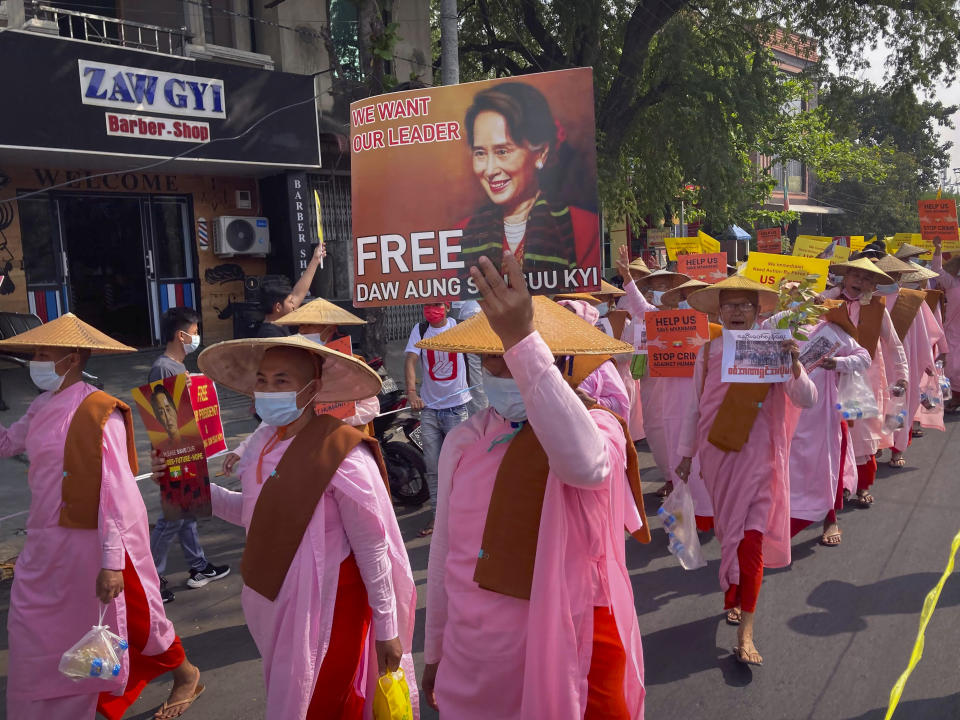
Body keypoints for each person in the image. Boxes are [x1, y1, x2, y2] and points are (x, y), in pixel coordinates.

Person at [421, 253, 646, 719]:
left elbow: (585, 466)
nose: (503, 370)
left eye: (512, 358)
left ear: (550, 358)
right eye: (491, 360)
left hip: (569, 645)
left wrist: (521, 340)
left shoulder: (596, 423)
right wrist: (434, 649)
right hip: (474, 657)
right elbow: (444, 551)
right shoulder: (464, 441)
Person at [195, 335, 418, 719]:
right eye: (262, 380)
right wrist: (196, 490)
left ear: (312, 388)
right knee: (295, 698)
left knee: (320, 703)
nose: (267, 390)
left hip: (331, 607)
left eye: (282, 381)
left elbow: (373, 548)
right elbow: (253, 514)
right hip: (276, 602)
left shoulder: (341, 453)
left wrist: (387, 628)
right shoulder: (264, 444)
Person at [0, 313, 203, 720]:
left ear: (72, 358)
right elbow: (7, 443)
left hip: (96, 541)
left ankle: (186, 675)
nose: (35, 363)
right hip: (45, 541)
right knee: (33, 629)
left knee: (139, 621)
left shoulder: (99, 412)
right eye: (35, 354)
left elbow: (114, 491)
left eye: (43, 354)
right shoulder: (42, 405)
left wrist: (112, 562)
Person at [675, 276, 818, 666]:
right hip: (717, 454)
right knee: (729, 533)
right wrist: (686, 455)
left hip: (759, 459)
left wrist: (794, 364)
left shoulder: (773, 349)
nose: (737, 312)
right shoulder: (706, 353)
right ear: (718, 312)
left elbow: (807, 398)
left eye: (744, 306)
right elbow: (693, 409)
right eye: (730, 305)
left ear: (758, 313)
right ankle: (732, 593)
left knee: (750, 537)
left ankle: (746, 631)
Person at [456, 82, 600, 292]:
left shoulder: (583, 229)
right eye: (480, 153)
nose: (489, 170)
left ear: (540, 153)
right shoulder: (460, 234)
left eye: (502, 151)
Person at [148, 307, 229, 604]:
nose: (197, 338)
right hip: (176, 452)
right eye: (194, 333)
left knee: (187, 514)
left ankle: (199, 566)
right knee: (172, 519)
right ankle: (149, 578)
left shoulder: (177, 368)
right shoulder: (164, 368)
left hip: (189, 449)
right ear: (180, 335)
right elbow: (164, 416)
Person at [781, 297, 871, 546]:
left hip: (821, 414)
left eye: (805, 298)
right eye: (792, 297)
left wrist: (839, 363)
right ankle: (783, 523)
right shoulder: (776, 329)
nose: (800, 303)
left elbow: (864, 357)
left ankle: (830, 517)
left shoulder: (830, 330)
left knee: (825, 467)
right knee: (786, 470)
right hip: (782, 413)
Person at [821, 258, 908, 506]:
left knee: (863, 437)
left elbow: (894, 345)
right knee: (831, 437)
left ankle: (861, 486)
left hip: (864, 382)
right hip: (829, 378)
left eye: (868, 278)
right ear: (845, 278)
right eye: (856, 276)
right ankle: (837, 489)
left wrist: (902, 375)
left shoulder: (877, 307)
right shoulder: (825, 301)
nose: (861, 282)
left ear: (874, 284)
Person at [618, 256, 691, 498]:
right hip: (652, 386)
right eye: (657, 287)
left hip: (686, 390)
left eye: (666, 287)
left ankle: (689, 484)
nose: (662, 292)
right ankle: (671, 478)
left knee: (686, 433)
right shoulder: (650, 316)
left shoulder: (693, 317)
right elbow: (639, 307)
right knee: (658, 433)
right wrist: (628, 279)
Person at [405, 302, 472, 536]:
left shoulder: (460, 327)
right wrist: (412, 392)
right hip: (430, 411)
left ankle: (461, 517)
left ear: (448, 306)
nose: (432, 310)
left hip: (456, 409)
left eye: (437, 305)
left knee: (459, 468)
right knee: (433, 469)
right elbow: (410, 360)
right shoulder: (420, 330)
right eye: (427, 305)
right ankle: (437, 518)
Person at [255, 244, 325, 337]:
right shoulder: (270, 334)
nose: (294, 305)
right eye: (290, 302)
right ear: (278, 307)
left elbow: (298, 293)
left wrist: (315, 260)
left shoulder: (278, 323)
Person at [930, 237, 960, 410]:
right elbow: (937, 270)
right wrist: (938, 249)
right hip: (953, 331)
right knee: (953, 366)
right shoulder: (951, 283)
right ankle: (956, 397)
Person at [452, 299, 490, 415]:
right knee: (476, 377)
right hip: (473, 318)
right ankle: (481, 416)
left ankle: (481, 417)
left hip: (474, 319)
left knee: (477, 376)